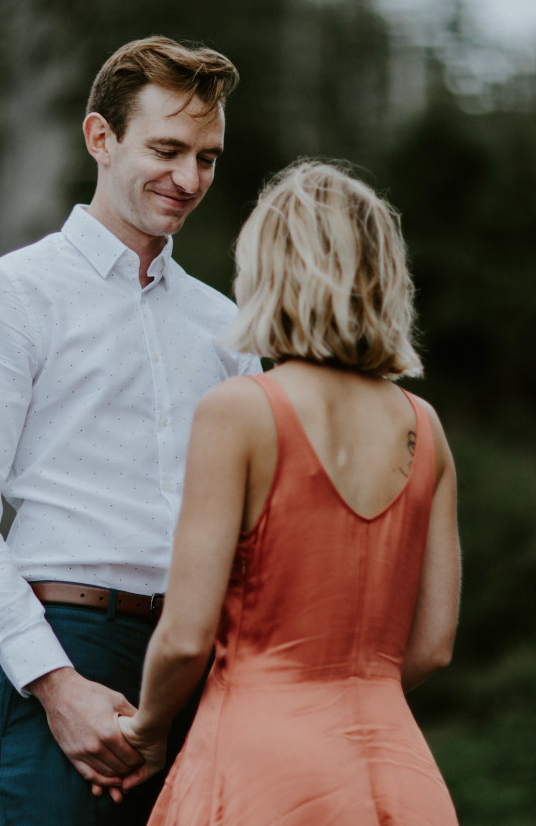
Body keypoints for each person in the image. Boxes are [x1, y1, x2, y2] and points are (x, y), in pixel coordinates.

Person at [0, 36, 261, 825]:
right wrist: (55, 683)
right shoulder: (14, 294)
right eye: (168, 149)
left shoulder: (228, 325)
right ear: (99, 138)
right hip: (66, 644)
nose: (188, 179)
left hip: (204, 663)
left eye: (207, 158)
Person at [115, 160, 463, 824]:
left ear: (271, 270)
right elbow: (431, 644)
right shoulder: (427, 428)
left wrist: (148, 727)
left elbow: (187, 637)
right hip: (403, 775)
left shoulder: (238, 411)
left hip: (263, 771)